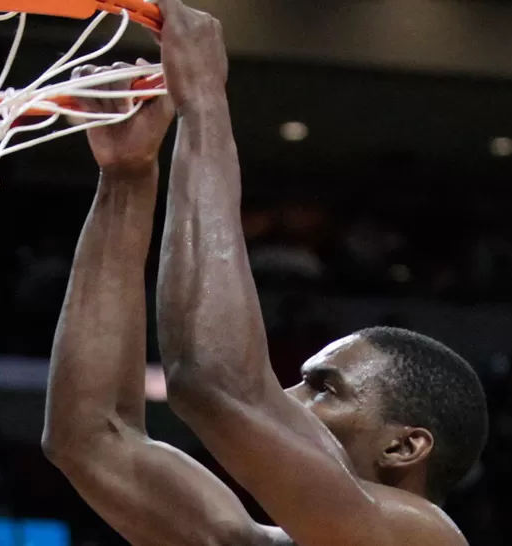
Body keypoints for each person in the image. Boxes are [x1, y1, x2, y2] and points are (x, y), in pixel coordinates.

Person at [41, 0, 489, 544]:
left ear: (403, 447)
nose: (286, 395)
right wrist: (127, 176)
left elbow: (215, 382)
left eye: (325, 388)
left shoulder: (424, 536)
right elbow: (89, 435)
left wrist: (203, 100)